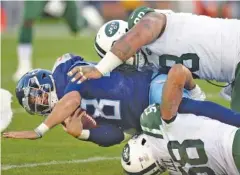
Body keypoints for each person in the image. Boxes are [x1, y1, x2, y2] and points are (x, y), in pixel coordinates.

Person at [68, 6, 240, 112]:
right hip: (234, 71)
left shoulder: (149, 21)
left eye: (119, 61)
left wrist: (101, 68)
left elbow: (141, 32)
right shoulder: (153, 61)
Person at [121, 64, 240, 175]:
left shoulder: (177, 171)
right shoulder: (157, 123)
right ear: (141, 143)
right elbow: (177, 71)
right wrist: (193, 89)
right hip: (233, 142)